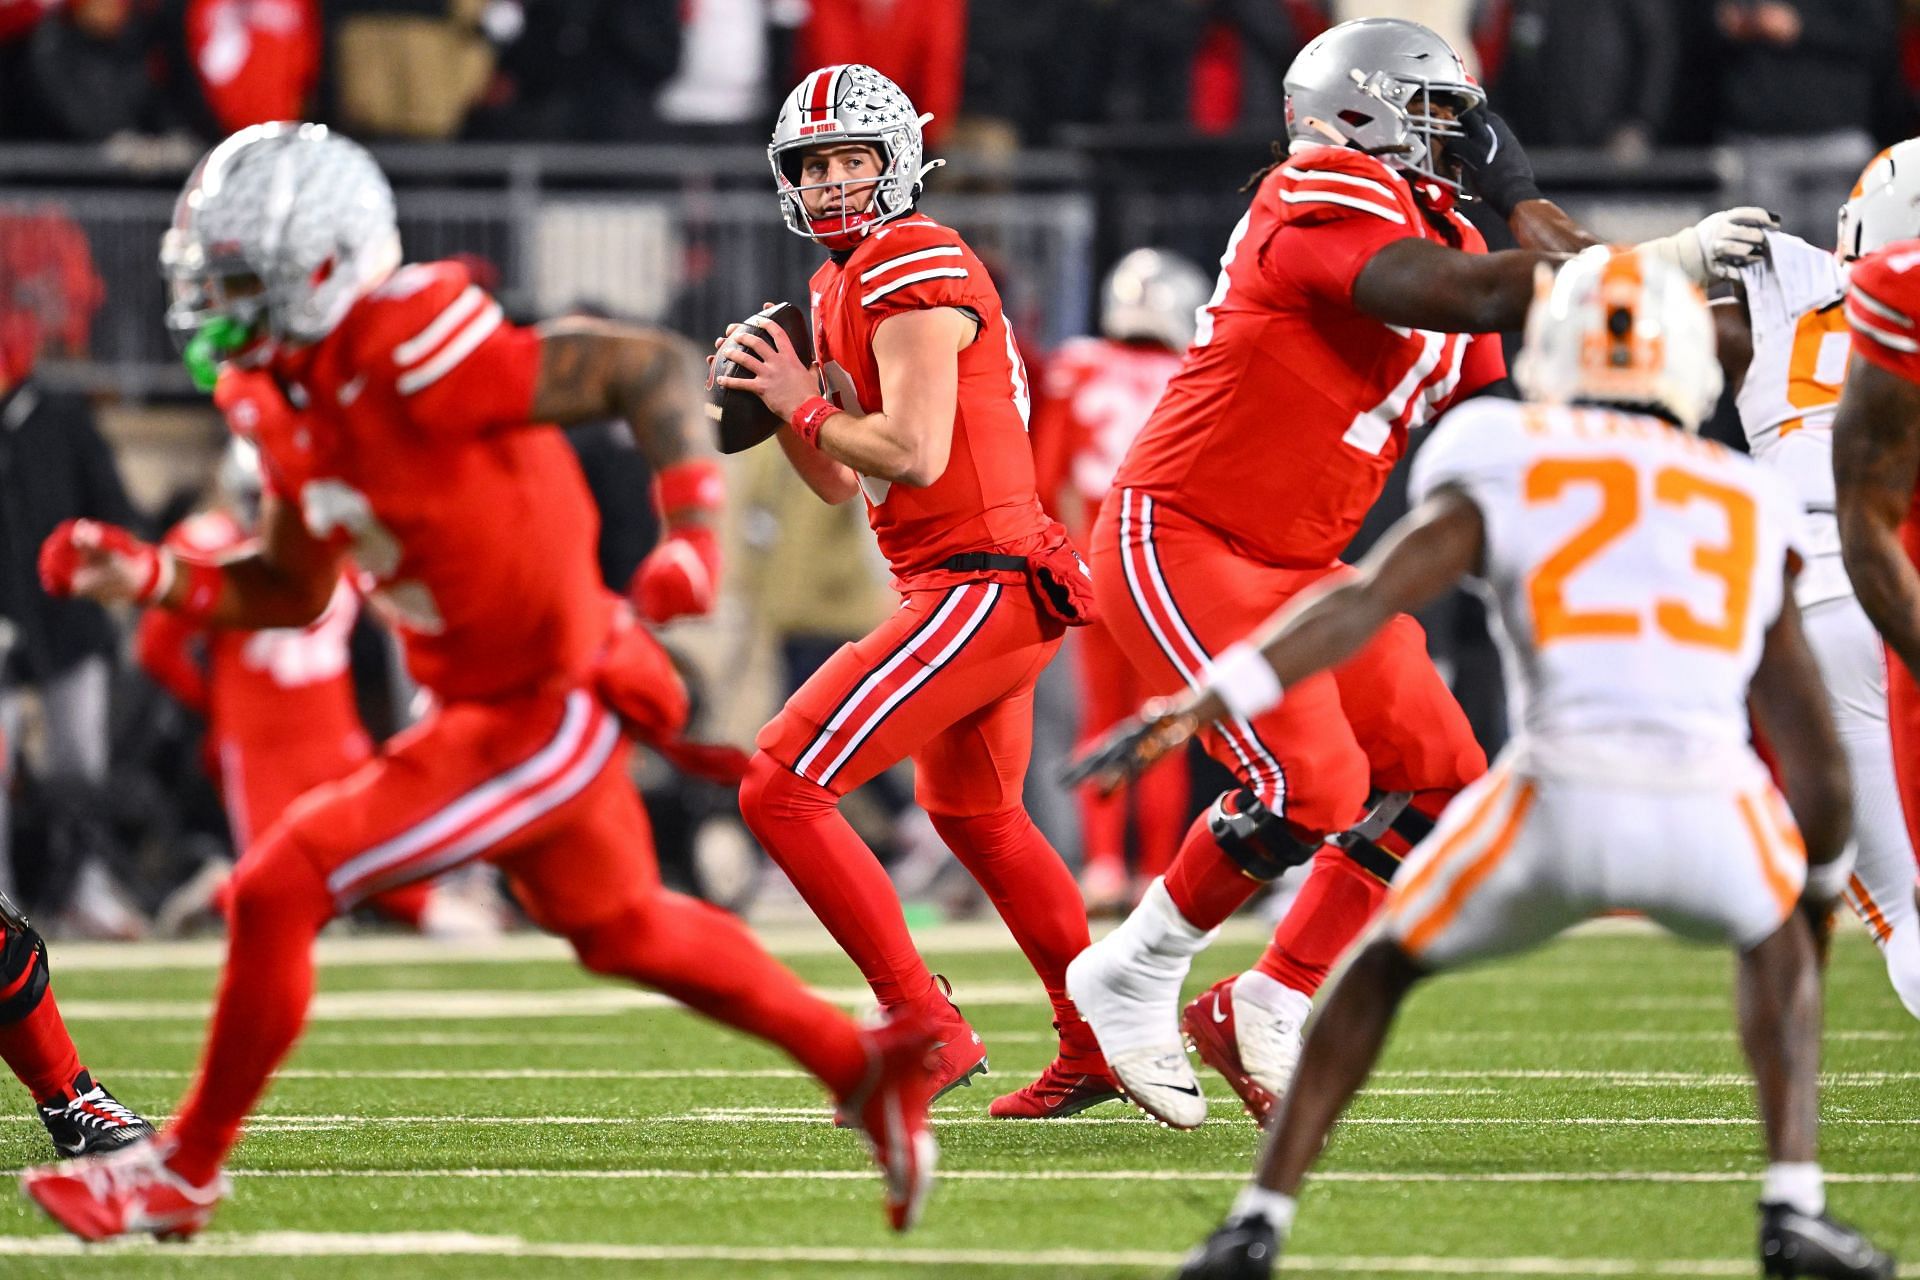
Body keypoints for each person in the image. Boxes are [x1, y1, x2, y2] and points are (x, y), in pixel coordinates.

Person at [19, 121, 935, 1242]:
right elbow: (294, 586)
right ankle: (863, 1067)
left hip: (539, 699)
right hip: (479, 697)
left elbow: (643, 365)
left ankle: (182, 1170)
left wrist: (690, 530)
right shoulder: (287, 394)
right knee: (624, 928)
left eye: (240, 281)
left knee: (276, 884)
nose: (218, 309)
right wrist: (154, 573)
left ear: (324, 266)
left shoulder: (412, 342)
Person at [1075, 247, 1897, 1280]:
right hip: (1709, 804)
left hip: (1553, 798)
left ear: (1552, 352)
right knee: (1777, 942)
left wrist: (1213, 692)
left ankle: (1258, 1220)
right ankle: (1795, 1205)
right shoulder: (1745, 491)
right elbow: (1809, 738)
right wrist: (1815, 884)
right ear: (1691, 365)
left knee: (1376, 970)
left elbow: (1366, 597)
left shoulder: (1502, 445)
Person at [1059, 15, 1775, 1129]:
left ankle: (1272, 992)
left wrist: (1752, 324)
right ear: (1359, 110)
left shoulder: (1437, 218)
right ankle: (1134, 969)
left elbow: (1549, 338)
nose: (1459, 140)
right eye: (1440, 114)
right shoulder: (1319, 190)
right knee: (1315, 787)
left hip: (1305, 556)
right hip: (1188, 531)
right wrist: (1659, 257)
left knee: (1443, 776)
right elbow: (1480, 295)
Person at [718, 63, 1117, 1120]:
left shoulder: (911, 254)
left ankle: (922, 1022)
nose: (835, 180)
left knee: (779, 782)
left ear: (899, 163)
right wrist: (778, 399)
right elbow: (850, 475)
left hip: (982, 578)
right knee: (977, 815)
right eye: (815, 164)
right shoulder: (840, 278)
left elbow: (918, 451)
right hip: (977, 581)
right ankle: (1099, 1039)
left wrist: (804, 406)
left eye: (854, 159)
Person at [135, 436, 498, 938]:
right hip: (259, 746)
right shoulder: (207, 545)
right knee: (284, 892)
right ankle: (227, 891)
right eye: (253, 498)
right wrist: (216, 704)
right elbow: (156, 648)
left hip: (335, 733)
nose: (262, 515)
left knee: (382, 860)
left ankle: (429, 902)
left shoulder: (335, 536)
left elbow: (398, 608)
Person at [1714, 141, 1920, 1021]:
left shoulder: (1774, 284)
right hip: (1894, 575)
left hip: (1825, 596)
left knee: (1906, 913)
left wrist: (1680, 257)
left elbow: (1596, 299)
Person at [1032, 247, 1210, 914]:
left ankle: (1104, 865)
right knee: (1166, 724)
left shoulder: (1079, 367)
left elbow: (1046, 479)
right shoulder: (1192, 372)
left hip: (1095, 565)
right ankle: (1156, 871)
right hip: (1165, 569)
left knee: (1099, 722)